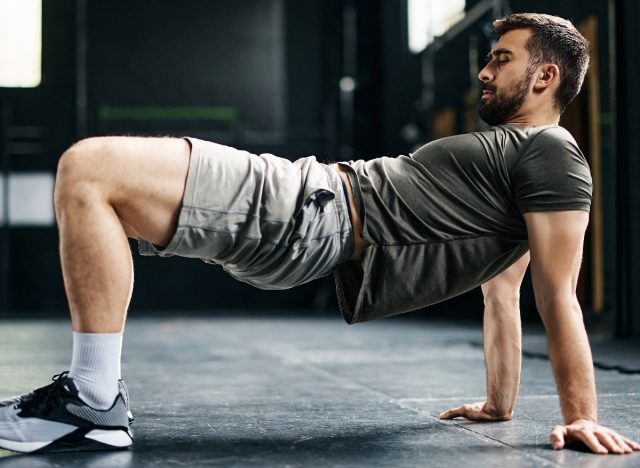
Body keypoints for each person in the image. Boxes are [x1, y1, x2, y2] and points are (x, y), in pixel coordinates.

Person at [1, 12, 638, 456]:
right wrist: (498, 407)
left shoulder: (550, 152)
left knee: (88, 167)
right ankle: (92, 397)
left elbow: (558, 296)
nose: (485, 73)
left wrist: (581, 416)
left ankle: (91, 403)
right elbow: (500, 294)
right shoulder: (519, 168)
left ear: (547, 77)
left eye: (502, 59)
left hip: (316, 208)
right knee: (99, 199)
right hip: (314, 217)